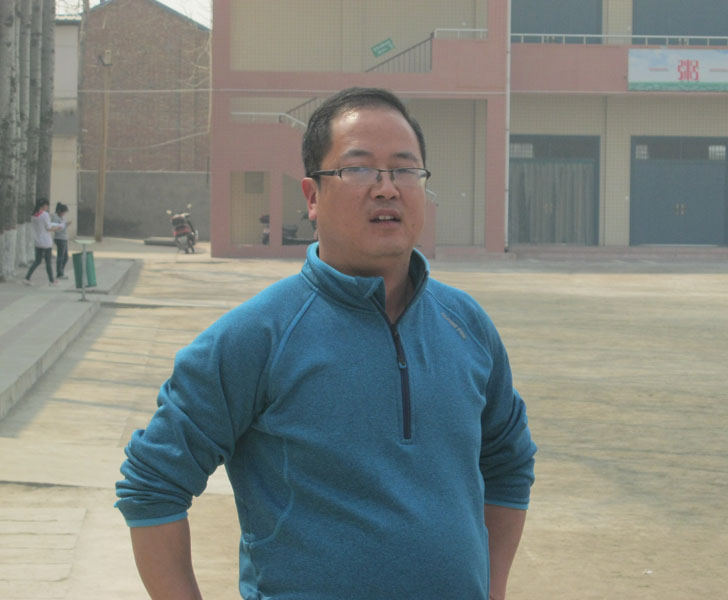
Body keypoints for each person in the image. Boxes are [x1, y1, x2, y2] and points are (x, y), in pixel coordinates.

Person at [116, 87, 537, 600]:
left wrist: (490, 588)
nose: (387, 189)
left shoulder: (466, 325)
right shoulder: (258, 336)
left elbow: (508, 462)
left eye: (405, 170)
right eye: (358, 169)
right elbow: (153, 484)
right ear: (312, 197)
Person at [23, 198, 64, 286]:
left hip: (37, 241)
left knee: (37, 261)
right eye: (47, 205)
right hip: (46, 241)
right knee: (48, 262)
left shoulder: (34, 215)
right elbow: (48, 227)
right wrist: (58, 227)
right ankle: (51, 281)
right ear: (44, 205)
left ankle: (27, 277)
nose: (47, 207)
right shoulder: (45, 214)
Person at [51, 202, 72, 279]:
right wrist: (65, 225)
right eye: (63, 212)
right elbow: (57, 229)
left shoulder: (61, 217)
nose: (64, 214)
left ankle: (61, 271)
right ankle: (59, 273)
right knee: (61, 256)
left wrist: (65, 224)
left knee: (65, 257)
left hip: (64, 238)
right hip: (59, 238)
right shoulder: (55, 218)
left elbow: (62, 226)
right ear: (60, 211)